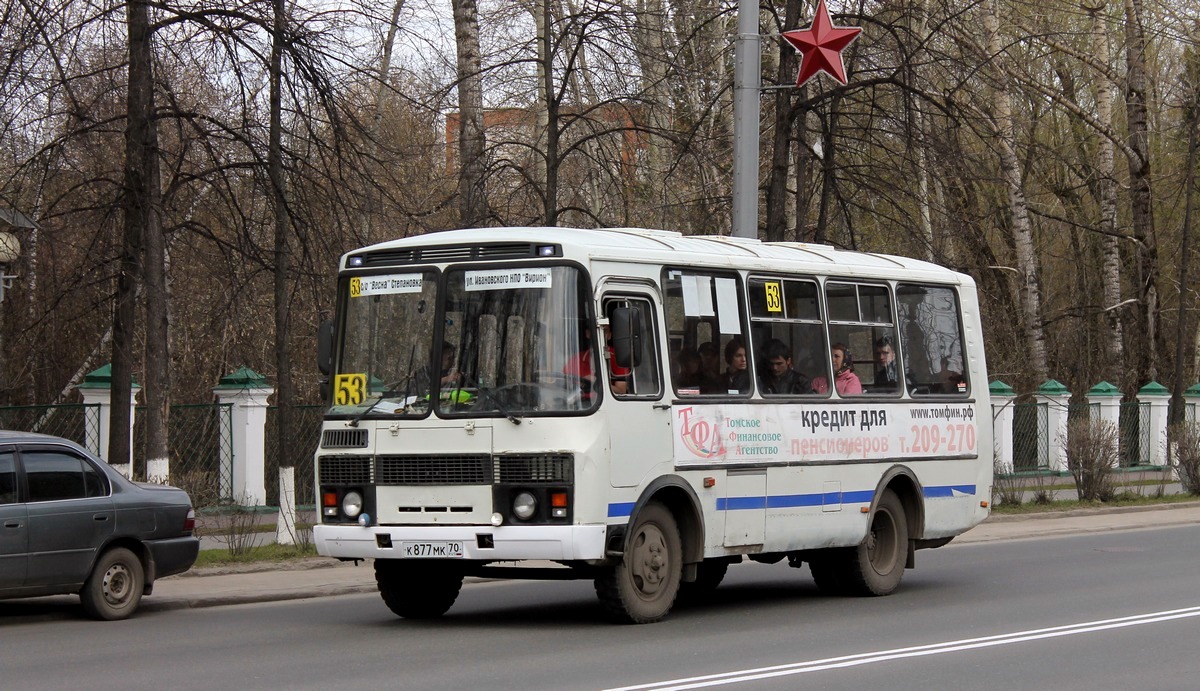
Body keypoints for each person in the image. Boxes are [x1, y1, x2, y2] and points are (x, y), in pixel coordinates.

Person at [564, 324, 630, 397]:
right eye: (595, 330)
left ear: (609, 335)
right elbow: (562, 383)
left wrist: (596, 382)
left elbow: (621, 390)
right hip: (579, 403)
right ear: (587, 333)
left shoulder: (618, 358)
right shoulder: (576, 359)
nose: (599, 335)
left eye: (604, 331)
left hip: (607, 402)